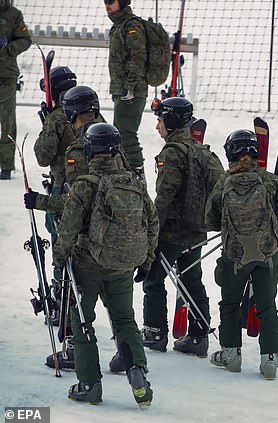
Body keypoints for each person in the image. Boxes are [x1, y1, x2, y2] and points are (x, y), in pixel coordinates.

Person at [52, 122, 158, 406]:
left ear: (89, 149)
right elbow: (152, 221)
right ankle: (137, 371)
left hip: (87, 266)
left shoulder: (84, 185)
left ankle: (90, 383)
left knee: (83, 321)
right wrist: (146, 261)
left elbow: (68, 228)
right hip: (123, 266)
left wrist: (60, 263)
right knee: (124, 320)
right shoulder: (133, 182)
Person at [26, 85, 128, 374]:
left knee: (74, 284)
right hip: (112, 223)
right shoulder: (111, 135)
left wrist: (42, 202)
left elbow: (49, 165)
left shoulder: (76, 143)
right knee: (117, 299)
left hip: (76, 212)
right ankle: (126, 352)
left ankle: (73, 346)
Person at [206, 129, 278, 380]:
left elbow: (210, 220)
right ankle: (270, 359)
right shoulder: (269, 180)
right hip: (268, 253)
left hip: (235, 256)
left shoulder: (223, 183)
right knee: (267, 306)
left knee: (229, 304)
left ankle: (231, 354)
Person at [141, 97, 224, 358]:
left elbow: (165, 196)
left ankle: (155, 332)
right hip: (196, 231)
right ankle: (199, 336)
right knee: (192, 280)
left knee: (153, 279)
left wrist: (150, 230)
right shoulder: (202, 150)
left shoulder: (172, 153)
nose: (157, 127)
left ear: (171, 122)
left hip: (172, 232)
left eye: (160, 121)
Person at [34, 66, 77, 244]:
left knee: (57, 229)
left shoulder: (56, 118)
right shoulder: (93, 112)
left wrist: (47, 126)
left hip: (64, 185)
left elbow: (43, 157)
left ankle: (61, 272)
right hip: (93, 183)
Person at [104, 0, 147, 174]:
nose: (107, 5)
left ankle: (136, 172)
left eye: (111, 1)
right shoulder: (119, 25)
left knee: (126, 134)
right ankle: (127, 171)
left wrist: (129, 87)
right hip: (122, 90)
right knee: (121, 133)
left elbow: (138, 58)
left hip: (131, 91)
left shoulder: (131, 26)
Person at [0, 0, 32, 180]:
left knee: (7, 121)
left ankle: (6, 165)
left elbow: (26, 40)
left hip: (6, 76)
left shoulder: (13, 14)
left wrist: (8, 48)